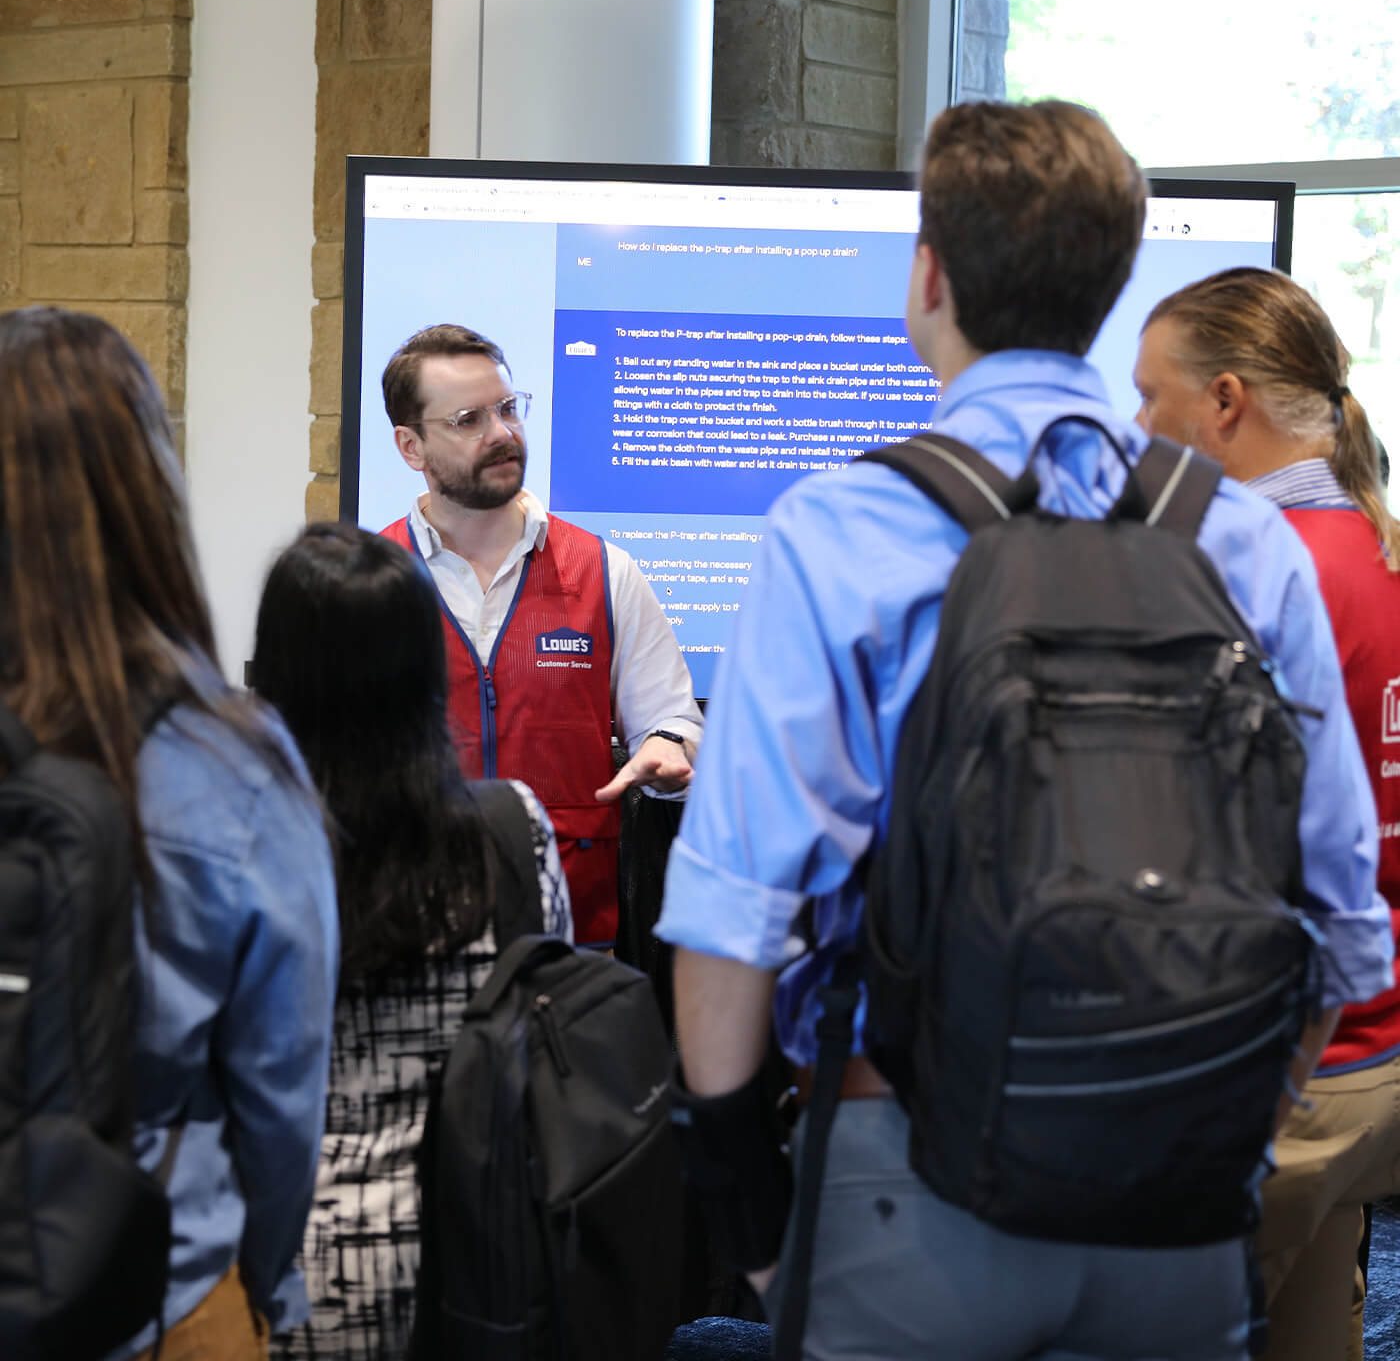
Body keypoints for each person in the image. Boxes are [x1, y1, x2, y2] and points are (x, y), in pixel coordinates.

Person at [655, 101, 1393, 1361]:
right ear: (1111, 289)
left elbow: (734, 919)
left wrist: (754, 1206)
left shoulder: (837, 533)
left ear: (928, 276)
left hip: (905, 1176)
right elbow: (1337, 920)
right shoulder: (1247, 542)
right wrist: (1235, 1141)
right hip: (1176, 1198)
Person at [0, 307, 338, 1361]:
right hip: (147, 1291)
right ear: (147, 489)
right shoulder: (232, 769)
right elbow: (280, 1097)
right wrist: (268, 1285)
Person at [1135, 267, 1400, 1361]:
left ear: (1225, 400)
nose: (1136, 427)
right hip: (1368, 1045)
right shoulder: (1378, 557)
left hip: (1272, 1066)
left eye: (1150, 396)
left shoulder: (1255, 570)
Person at [252, 523, 572, 1361]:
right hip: (478, 1274)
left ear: (273, 675)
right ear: (429, 670)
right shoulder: (510, 833)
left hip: (275, 1284)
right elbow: (547, 1040)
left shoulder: (235, 846)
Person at [380, 324, 702, 945]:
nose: (502, 433)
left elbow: (673, 722)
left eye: (506, 409)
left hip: (575, 946)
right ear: (411, 447)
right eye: (468, 419)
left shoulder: (604, 571)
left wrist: (670, 748)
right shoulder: (370, 579)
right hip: (410, 937)